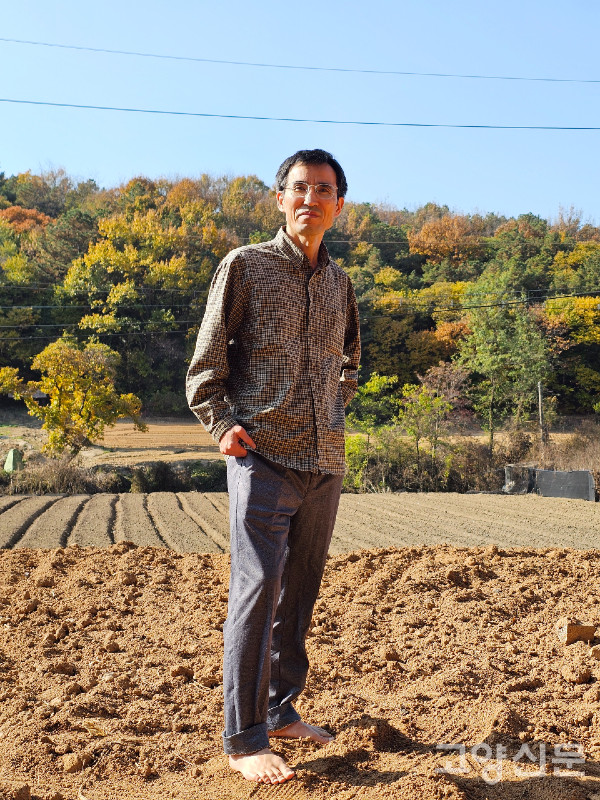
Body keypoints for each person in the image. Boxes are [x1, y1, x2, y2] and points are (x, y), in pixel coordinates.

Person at [186, 149, 360, 785]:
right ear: (279, 199)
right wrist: (222, 423)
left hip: (324, 461)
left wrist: (334, 409)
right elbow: (205, 367)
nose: (310, 198)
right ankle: (244, 737)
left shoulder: (340, 282)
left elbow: (350, 360)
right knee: (257, 591)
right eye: (299, 188)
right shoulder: (246, 267)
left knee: (300, 592)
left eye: (324, 189)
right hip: (262, 459)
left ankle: (282, 710)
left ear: (338, 205)